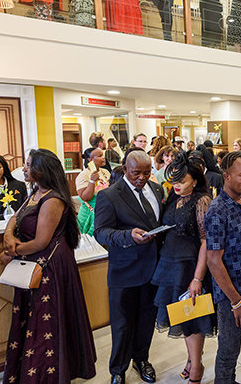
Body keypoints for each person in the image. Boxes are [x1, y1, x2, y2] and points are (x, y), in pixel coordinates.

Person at [0, 148, 96, 383]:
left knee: (45, 321)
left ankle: (47, 375)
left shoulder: (52, 199)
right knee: (34, 319)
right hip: (35, 263)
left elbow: (41, 242)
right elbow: (15, 217)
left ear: (42, 170)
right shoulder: (36, 192)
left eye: (29, 164)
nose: (24, 168)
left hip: (49, 267)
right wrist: (9, 234)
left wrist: (12, 251)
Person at [94, 150, 165, 384]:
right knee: (122, 325)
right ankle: (118, 370)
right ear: (125, 169)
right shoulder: (109, 195)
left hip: (153, 269)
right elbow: (100, 232)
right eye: (136, 173)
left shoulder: (157, 190)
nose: (142, 178)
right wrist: (127, 236)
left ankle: (141, 359)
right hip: (124, 271)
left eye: (146, 172)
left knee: (146, 320)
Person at [151, 153, 214, 383]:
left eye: (182, 181)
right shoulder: (173, 197)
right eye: (174, 180)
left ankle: (196, 367)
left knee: (193, 318)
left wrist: (197, 278)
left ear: (195, 180)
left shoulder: (202, 200)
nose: (176, 185)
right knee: (183, 316)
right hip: (170, 263)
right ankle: (192, 360)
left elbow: (206, 241)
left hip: (190, 265)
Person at [205, 151, 241, 384]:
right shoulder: (217, 210)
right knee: (228, 351)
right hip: (230, 296)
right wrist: (236, 301)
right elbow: (213, 261)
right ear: (226, 176)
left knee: (236, 348)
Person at [76, 147, 111, 235]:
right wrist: (92, 181)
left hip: (104, 212)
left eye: (103, 155)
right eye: (100, 156)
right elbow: (85, 197)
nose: (103, 157)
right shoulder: (84, 175)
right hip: (90, 213)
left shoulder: (105, 172)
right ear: (90, 159)